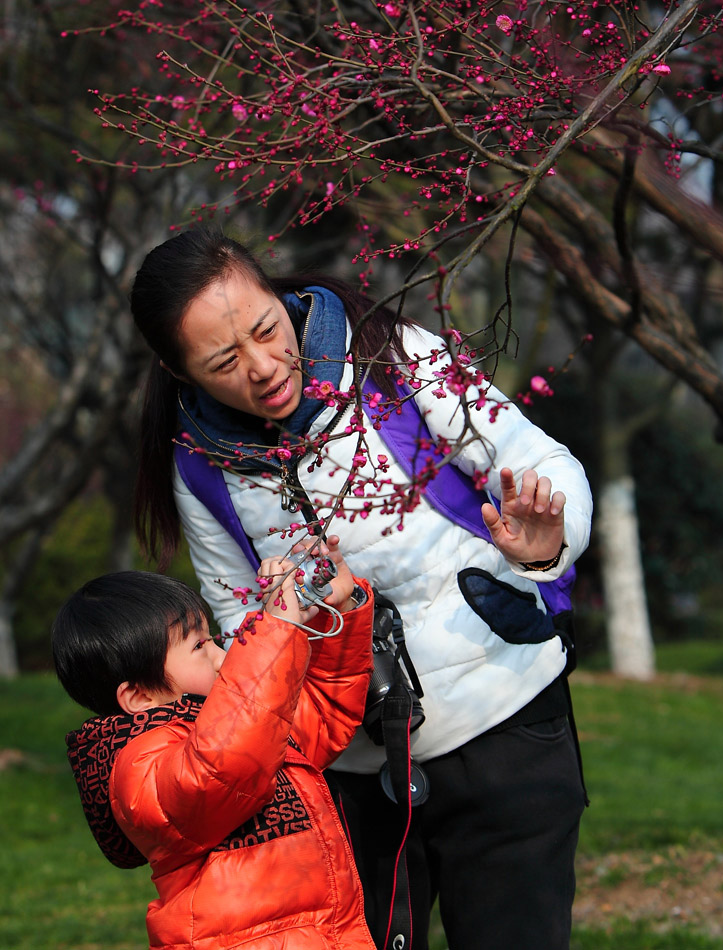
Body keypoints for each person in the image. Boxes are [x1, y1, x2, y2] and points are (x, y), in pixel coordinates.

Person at [130, 226, 594, 950]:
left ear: (280, 296)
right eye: (224, 360)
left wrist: (549, 541)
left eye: (266, 329)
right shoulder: (200, 468)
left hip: (505, 718)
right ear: (177, 368)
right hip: (351, 770)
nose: (263, 366)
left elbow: (540, 460)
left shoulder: (393, 354)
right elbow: (239, 634)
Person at [52, 546, 377, 950]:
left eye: (212, 639)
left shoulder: (241, 725)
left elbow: (320, 714)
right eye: (198, 647)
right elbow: (219, 768)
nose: (223, 658)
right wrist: (274, 635)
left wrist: (336, 611)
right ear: (138, 697)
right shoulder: (137, 765)